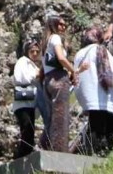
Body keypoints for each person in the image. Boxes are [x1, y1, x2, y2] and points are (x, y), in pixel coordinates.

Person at [73, 26, 113, 155]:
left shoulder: (79, 54)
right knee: (99, 127)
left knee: (94, 124)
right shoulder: (100, 49)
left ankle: (92, 151)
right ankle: (97, 153)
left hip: (85, 94)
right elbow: (108, 74)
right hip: (99, 94)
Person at [41, 15, 75, 153]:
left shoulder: (45, 42)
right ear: (53, 25)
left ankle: (44, 146)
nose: (63, 27)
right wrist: (73, 70)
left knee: (52, 117)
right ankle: (60, 152)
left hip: (48, 80)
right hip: (59, 78)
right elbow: (61, 58)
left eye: (65, 25)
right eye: (60, 24)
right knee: (61, 117)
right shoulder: (55, 38)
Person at [11, 40, 42, 159]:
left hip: (30, 104)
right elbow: (20, 78)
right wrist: (36, 75)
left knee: (29, 130)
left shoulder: (33, 64)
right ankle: (21, 158)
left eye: (37, 51)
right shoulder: (22, 61)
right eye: (32, 51)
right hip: (23, 104)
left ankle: (25, 157)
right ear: (27, 51)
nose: (34, 53)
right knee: (27, 129)